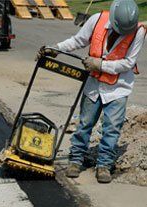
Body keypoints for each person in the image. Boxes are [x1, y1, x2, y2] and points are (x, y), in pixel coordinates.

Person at [37, 0, 146, 183]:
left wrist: (100, 64)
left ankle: (104, 165)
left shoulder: (139, 32)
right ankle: (76, 160)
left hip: (118, 89)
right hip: (94, 86)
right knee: (85, 124)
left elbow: (128, 62)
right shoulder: (97, 20)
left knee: (111, 128)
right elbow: (78, 40)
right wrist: (55, 49)